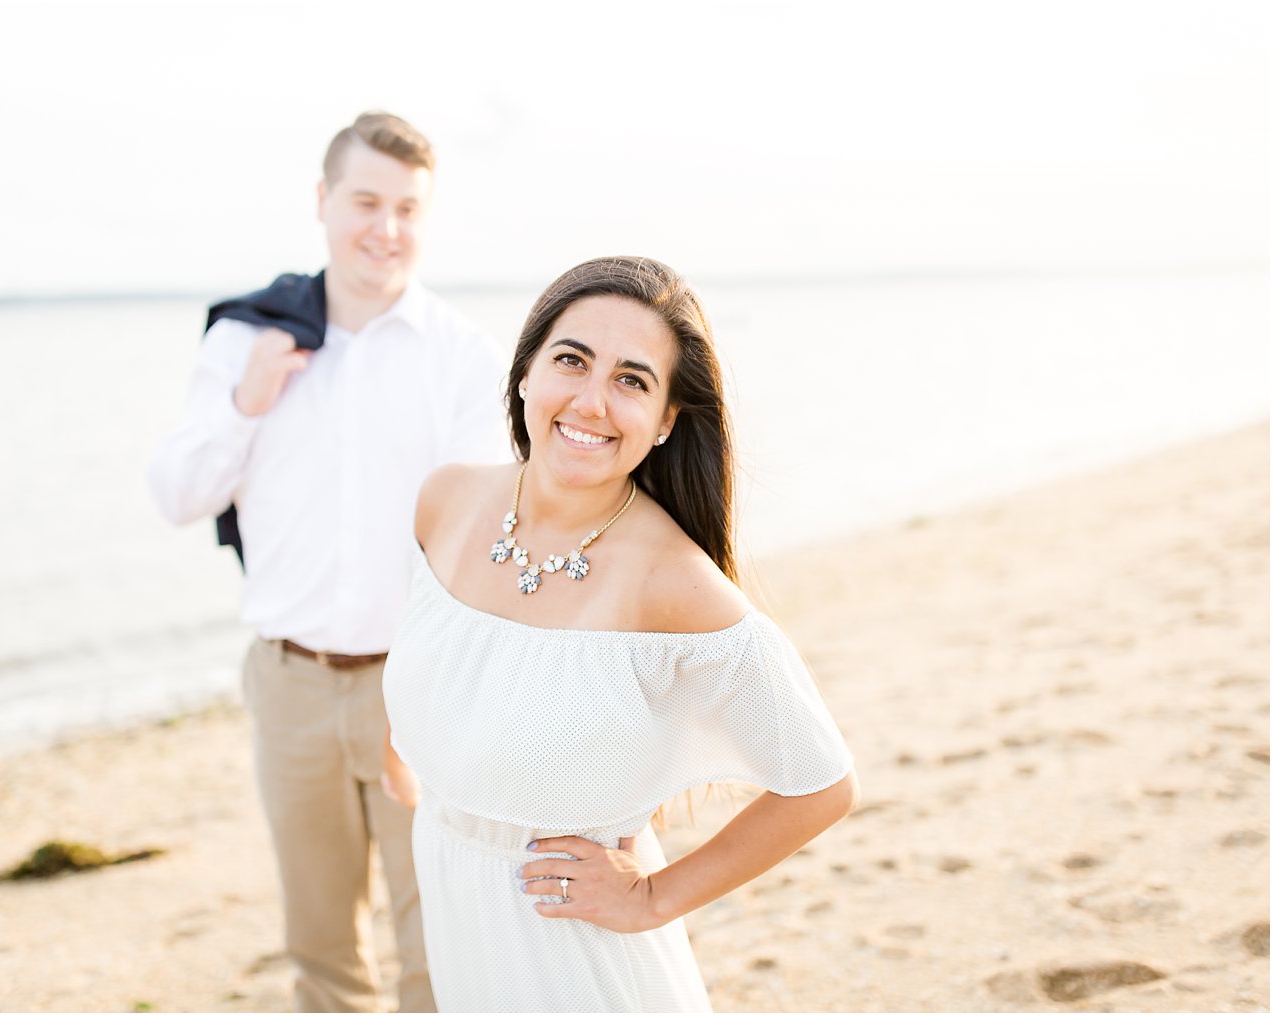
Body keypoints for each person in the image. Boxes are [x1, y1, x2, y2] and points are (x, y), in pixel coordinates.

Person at [380, 255, 858, 1012]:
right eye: (572, 361)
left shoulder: (675, 582)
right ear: (527, 374)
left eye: (632, 380)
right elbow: (441, 660)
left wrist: (651, 899)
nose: (592, 402)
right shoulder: (444, 502)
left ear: (666, 420)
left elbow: (821, 784)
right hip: (458, 917)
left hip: (581, 963)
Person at [149, 111, 509, 1013]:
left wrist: (440, 678)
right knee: (320, 949)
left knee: (439, 945)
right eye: (365, 202)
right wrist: (247, 401)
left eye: (407, 208)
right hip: (290, 685)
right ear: (322, 201)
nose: (385, 228)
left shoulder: (462, 356)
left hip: (420, 689)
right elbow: (177, 495)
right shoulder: (246, 341)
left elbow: (478, 537)